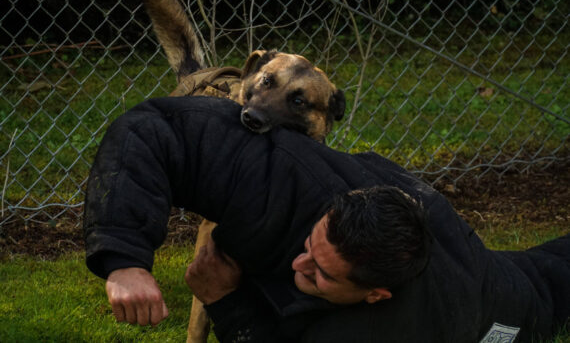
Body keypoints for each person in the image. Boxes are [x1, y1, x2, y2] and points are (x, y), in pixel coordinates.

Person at [84, 96, 570, 343]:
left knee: (546, 287)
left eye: (320, 274)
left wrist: (224, 300)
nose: (300, 266)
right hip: (422, 220)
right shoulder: (291, 183)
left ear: (374, 295)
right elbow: (152, 130)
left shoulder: (392, 328)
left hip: (480, 299)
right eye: (310, 248)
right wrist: (125, 258)